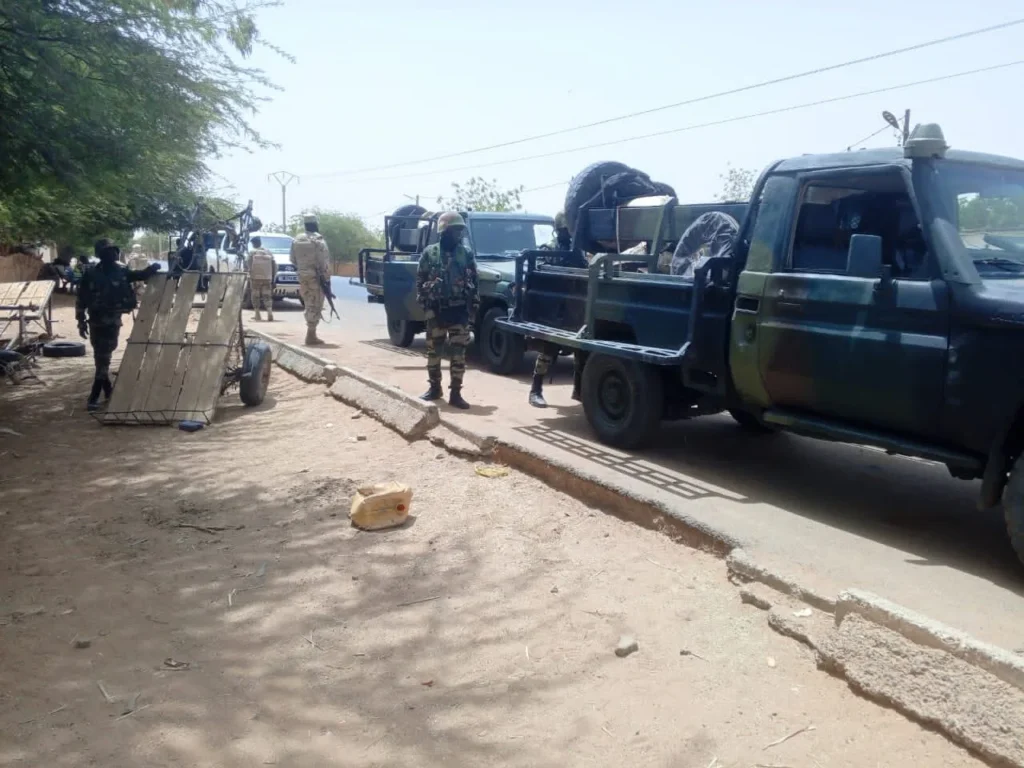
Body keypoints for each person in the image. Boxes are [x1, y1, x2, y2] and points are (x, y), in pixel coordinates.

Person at [75, 239, 160, 411]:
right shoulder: (90, 273)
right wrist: (80, 321)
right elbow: (81, 298)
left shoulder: (122, 271)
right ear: (100, 254)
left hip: (112, 319)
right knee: (102, 357)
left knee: (103, 356)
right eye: (108, 251)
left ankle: (101, 392)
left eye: (114, 250)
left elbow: (140, 275)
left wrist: (153, 269)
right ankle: (97, 394)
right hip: (96, 320)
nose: (113, 253)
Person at [416, 212, 478, 409]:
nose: (459, 234)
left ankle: (456, 393)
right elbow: (419, 280)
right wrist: (427, 301)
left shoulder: (466, 253)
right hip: (436, 311)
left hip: (459, 310)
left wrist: (472, 308)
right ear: (444, 231)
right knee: (434, 353)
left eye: (460, 230)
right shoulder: (430, 253)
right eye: (455, 230)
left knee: (458, 354)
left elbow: (474, 282)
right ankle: (435, 388)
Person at [529, 211, 584, 408]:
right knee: (548, 351)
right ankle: (535, 390)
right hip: (553, 310)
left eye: (568, 230)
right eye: (563, 230)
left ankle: (579, 392)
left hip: (573, 310)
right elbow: (541, 276)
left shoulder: (577, 251)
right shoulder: (548, 250)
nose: (566, 234)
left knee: (581, 353)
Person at [290, 212, 331, 345]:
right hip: (316, 276)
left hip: (302, 275)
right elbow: (323, 262)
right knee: (316, 303)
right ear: (315, 224)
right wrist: (326, 279)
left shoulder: (297, 240)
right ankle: (311, 334)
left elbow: (292, 259)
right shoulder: (318, 240)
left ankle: (311, 333)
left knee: (308, 302)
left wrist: (303, 268)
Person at [248, 236, 276, 322]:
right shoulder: (268, 252)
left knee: (255, 295)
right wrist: (272, 277)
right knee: (267, 296)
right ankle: (269, 312)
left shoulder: (252, 252)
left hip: (255, 278)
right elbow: (274, 265)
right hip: (267, 277)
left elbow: (248, 265)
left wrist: (250, 274)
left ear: (253, 244)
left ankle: (257, 314)